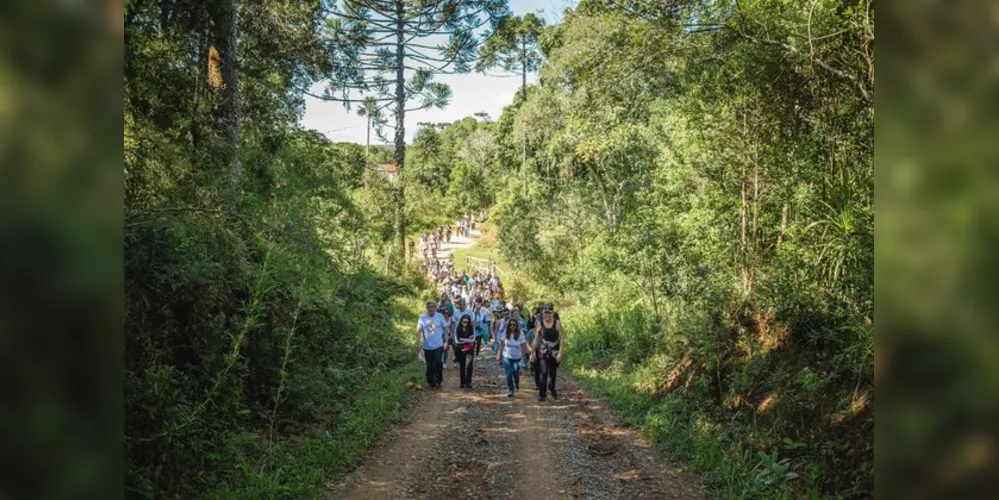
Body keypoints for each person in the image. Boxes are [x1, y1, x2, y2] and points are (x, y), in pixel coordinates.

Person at [533, 303, 564, 401]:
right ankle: (542, 394)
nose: (547, 315)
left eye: (550, 313)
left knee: (553, 373)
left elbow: (561, 339)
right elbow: (536, 338)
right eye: (546, 312)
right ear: (543, 313)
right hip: (543, 351)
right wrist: (532, 352)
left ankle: (552, 388)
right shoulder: (539, 323)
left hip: (554, 351)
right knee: (544, 372)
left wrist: (560, 353)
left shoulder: (557, 323)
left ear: (553, 313)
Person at [417, 301, 449, 389]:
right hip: (427, 346)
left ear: (435, 308)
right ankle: (431, 382)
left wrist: (446, 341)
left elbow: (445, 328)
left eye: (433, 307)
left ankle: (438, 381)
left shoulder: (440, 316)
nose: (431, 308)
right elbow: (418, 331)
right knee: (429, 365)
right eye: (429, 307)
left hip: (438, 345)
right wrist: (418, 343)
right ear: (426, 308)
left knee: (438, 363)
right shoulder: (422, 317)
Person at [496, 319, 531, 397]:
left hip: (517, 357)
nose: (512, 326)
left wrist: (522, 358)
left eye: (514, 325)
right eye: (510, 325)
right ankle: (510, 389)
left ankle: (517, 383)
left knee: (515, 372)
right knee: (508, 373)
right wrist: (499, 355)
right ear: (508, 326)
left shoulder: (520, 333)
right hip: (507, 356)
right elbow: (501, 344)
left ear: (516, 326)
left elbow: (523, 346)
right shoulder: (505, 332)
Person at [454, 314, 476, 388]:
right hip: (461, 349)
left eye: (467, 322)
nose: (465, 324)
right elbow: (457, 340)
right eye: (463, 322)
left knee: (469, 365)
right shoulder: (458, 328)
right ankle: (462, 382)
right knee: (462, 365)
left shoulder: (471, 328)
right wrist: (467, 339)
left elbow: (473, 339)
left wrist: (463, 340)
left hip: (470, 349)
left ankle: (468, 382)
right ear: (461, 321)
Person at [451, 297, 474, 368]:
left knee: (466, 347)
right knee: (457, 347)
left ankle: (464, 360)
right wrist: (452, 333)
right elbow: (453, 323)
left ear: (464, 304)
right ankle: (457, 360)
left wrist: (471, 333)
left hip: (467, 332)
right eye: (459, 303)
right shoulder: (456, 312)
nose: (461, 304)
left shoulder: (469, 312)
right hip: (457, 332)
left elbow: (473, 322)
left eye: (462, 303)